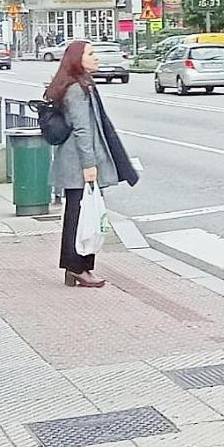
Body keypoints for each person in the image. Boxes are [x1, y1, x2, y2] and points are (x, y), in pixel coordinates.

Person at [45, 41, 140, 288]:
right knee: (80, 216)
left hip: (75, 161)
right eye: (90, 54)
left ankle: (77, 268)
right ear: (77, 60)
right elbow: (82, 130)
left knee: (79, 214)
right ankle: (78, 268)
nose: (96, 57)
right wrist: (89, 165)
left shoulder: (81, 84)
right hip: (78, 163)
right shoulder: (76, 89)